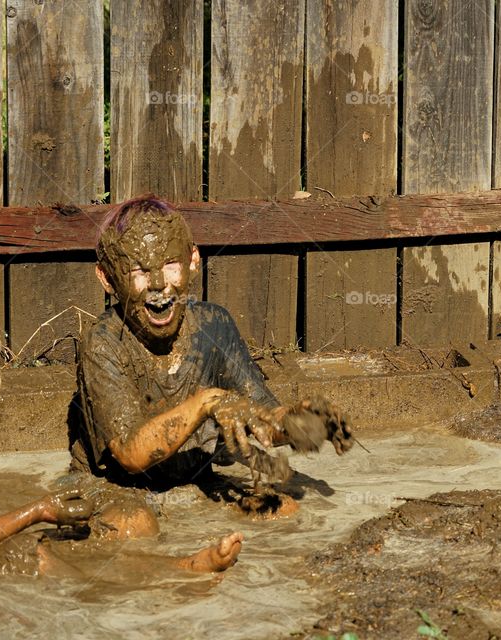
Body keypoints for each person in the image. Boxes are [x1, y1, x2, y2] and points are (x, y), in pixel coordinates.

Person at [0, 313, 242, 573]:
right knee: (39, 558)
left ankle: (172, 568)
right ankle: (177, 572)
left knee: (53, 551)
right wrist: (39, 510)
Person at [71, 195, 352, 492]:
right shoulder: (103, 342)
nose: (158, 284)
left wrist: (298, 423)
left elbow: (263, 419)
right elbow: (131, 455)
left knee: (282, 508)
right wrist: (206, 403)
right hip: (116, 487)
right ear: (107, 278)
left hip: (193, 481)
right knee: (136, 519)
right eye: (138, 271)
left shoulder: (213, 326)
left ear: (193, 261)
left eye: (170, 264)